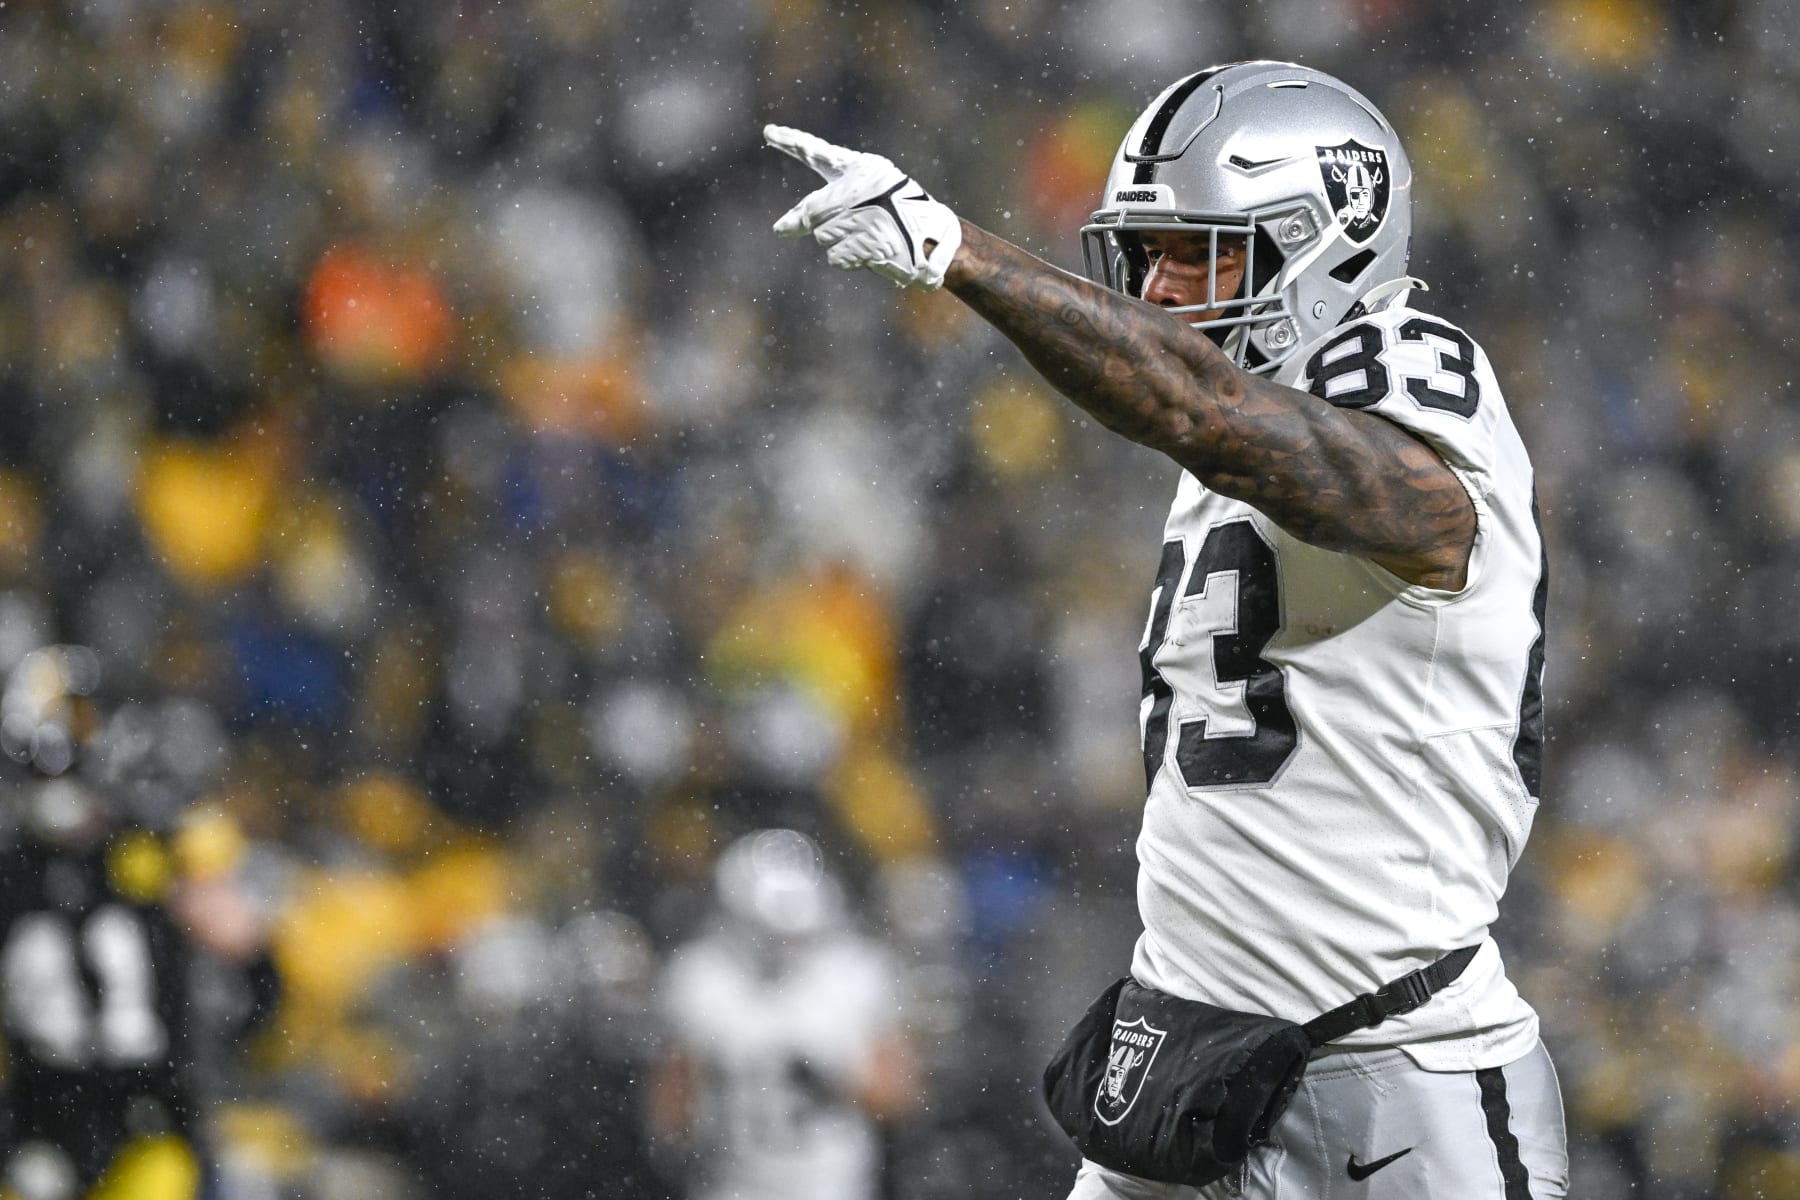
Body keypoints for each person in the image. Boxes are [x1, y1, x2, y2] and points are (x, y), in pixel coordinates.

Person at [767, 59, 1567, 1199]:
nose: (1163, 289)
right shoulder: (1238, 421)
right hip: (1186, 1062)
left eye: (1203, 252)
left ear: (1325, 239)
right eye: (1149, 255)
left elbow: (1223, 416)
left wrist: (954, 249)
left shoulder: (1404, 373)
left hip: (1390, 1077)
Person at [0, 647, 278, 1200]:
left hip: (146, 1125)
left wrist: (246, 952)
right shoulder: (24, 877)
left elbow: (259, 1001)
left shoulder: (157, 860)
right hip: (43, 1133)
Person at [647, 829, 919, 1200]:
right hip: (730, 1186)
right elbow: (671, 1115)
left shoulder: (854, 975)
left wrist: (834, 1073)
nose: (789, 942)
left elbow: (895, 1098)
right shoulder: (702, 979)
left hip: (831, 1186)